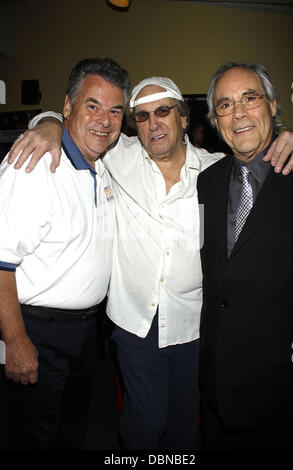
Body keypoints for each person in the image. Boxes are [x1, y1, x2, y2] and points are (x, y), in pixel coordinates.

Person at [7, 74, 293, 450]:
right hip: (133, 324)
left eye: (163, 111)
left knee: (185, 426)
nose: (153, 123)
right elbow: (80, 121)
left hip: (193, 324)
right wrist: (46, 124)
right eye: (141, 117)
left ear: (183, 117)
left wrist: (288, 137)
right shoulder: (118, 155)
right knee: (145, 425)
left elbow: (259, 165)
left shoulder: (214, 174)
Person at [0, 57, 130, 449]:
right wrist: (15, 342)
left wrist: (49, 121)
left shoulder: (106, 162)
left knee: (74, 425)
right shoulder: (34, 166)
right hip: (35, 329)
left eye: (115, 110)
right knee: (32, 435)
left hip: (86, 333)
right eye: (92, 106)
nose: (104, 121)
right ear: (69, 107)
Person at [197, 61, 293, 450]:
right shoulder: (207, 181)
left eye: (249, 98)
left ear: (273, 105)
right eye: (224, 105)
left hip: (284, 392)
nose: (237, 113)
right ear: (215, 120)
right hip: (217, 384)